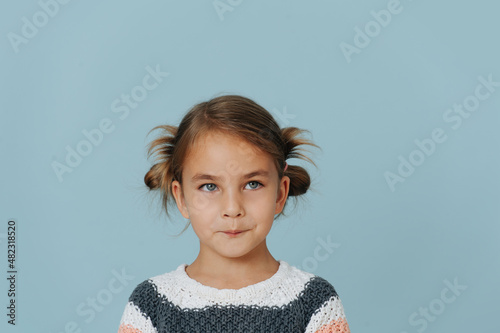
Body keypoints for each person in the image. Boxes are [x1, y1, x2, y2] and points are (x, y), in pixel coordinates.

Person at [117, 95, 351, 332]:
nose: (232, 209)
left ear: (280, 194)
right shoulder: (151, 304)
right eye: (209, 187)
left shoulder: (313, 301)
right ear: (182, 198)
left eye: (253, 184)